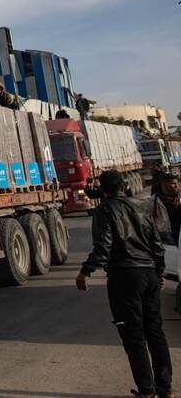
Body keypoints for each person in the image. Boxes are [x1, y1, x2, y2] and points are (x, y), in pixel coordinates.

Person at [77, 170, 174, 398]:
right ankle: (165, 388)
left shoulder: (104, 210)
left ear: (103, 190)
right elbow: (158, 246)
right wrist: (158, 272)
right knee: (155, 332)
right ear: (123, 186)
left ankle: (147, 391)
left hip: (124, 278)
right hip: (148, 274)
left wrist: (85, 271)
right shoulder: (141, 207)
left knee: (134, 336)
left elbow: (103, 248)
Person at [149, 172, 181, 246]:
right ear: (163, 184)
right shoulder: (153, 202)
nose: (177, 186)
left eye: (177, 183)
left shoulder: (179, 198)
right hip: (166, 239)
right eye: (173, 183)